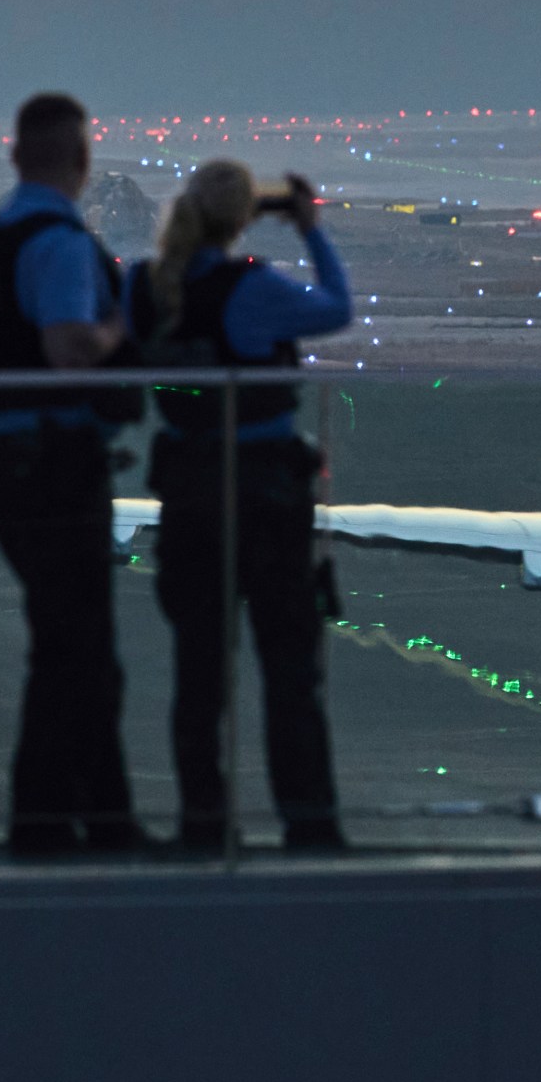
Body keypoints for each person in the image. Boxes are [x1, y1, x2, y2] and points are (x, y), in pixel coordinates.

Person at [128, 161, 353, 850]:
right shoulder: (250, 287)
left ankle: (203, 822)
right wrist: (312, 231)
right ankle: (309, 823)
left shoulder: (145, 287)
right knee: (289, 669)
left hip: (189, 492)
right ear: (243, 219)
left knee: (199, 674)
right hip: (263, 492)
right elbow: (337, 308)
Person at [0, 92, 148, 855]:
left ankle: (71, 820)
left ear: (14, 156)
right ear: (83, 163)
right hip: (56, 464)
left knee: (66, 649)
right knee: (81, 656)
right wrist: (124, 324)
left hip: (9, 456)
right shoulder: (61, 242)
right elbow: (70, 346)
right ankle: (73, 825)